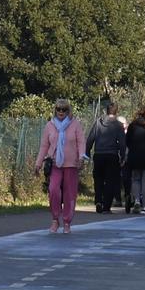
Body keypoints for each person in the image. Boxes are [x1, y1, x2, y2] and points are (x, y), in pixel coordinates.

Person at [37, 98, 83, 234]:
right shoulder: (50, 126)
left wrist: (81, 157)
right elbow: (44, 146)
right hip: (55, 163)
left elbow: (81, 142)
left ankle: (67, 221)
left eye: (64, 109)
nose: (61, 112)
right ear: (55, 110)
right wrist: (38, 163)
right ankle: (55, 219)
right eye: (58, 109)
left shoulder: (75, 124)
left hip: (71, 164)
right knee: (53, 190)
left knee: (70, 193)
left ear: (68, 111)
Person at [87, 100, 128, 214]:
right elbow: (122, 143)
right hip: (112, 155)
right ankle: (106, 206)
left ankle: (98, 200)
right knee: (111, 180)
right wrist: (123, 156)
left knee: (98, 179)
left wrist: (86, 152)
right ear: (116, 112)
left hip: (99, 154)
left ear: (106, 111)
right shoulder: (118, 125)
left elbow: (90, 139)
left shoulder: (98, 123)